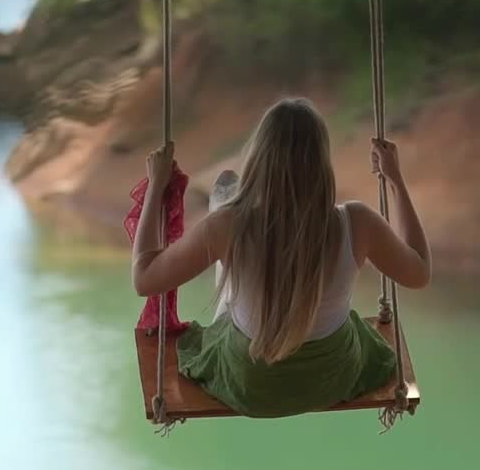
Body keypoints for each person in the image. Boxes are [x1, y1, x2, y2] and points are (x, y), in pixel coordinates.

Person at [130, 98, 431, 417]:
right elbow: (419, 271)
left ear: (259, 160)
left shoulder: (227, 227)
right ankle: (227, 217)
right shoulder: (357, 222)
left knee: (230, 280)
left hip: (251, 384)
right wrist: (395, 180)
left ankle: (225, 205)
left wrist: (155, 187)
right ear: (321, 163)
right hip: (331, 378)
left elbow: (144, 279)